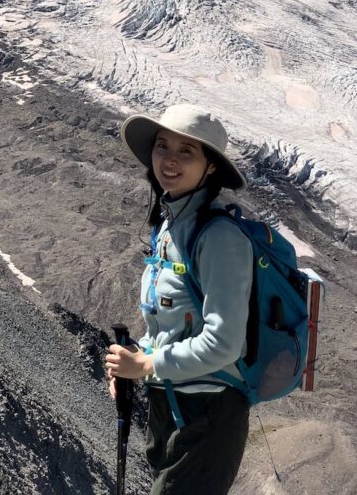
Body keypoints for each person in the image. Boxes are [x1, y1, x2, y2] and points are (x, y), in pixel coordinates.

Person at [105, 104, 253, 495]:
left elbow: (224, 344)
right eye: (162, 145)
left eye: (186, 151)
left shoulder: (219, 237)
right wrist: (134, 359)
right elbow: (177, 324)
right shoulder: (171, 226)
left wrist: (148, 364)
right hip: (171, 406)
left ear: (211, 168)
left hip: (209, 411)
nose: (169, 159)